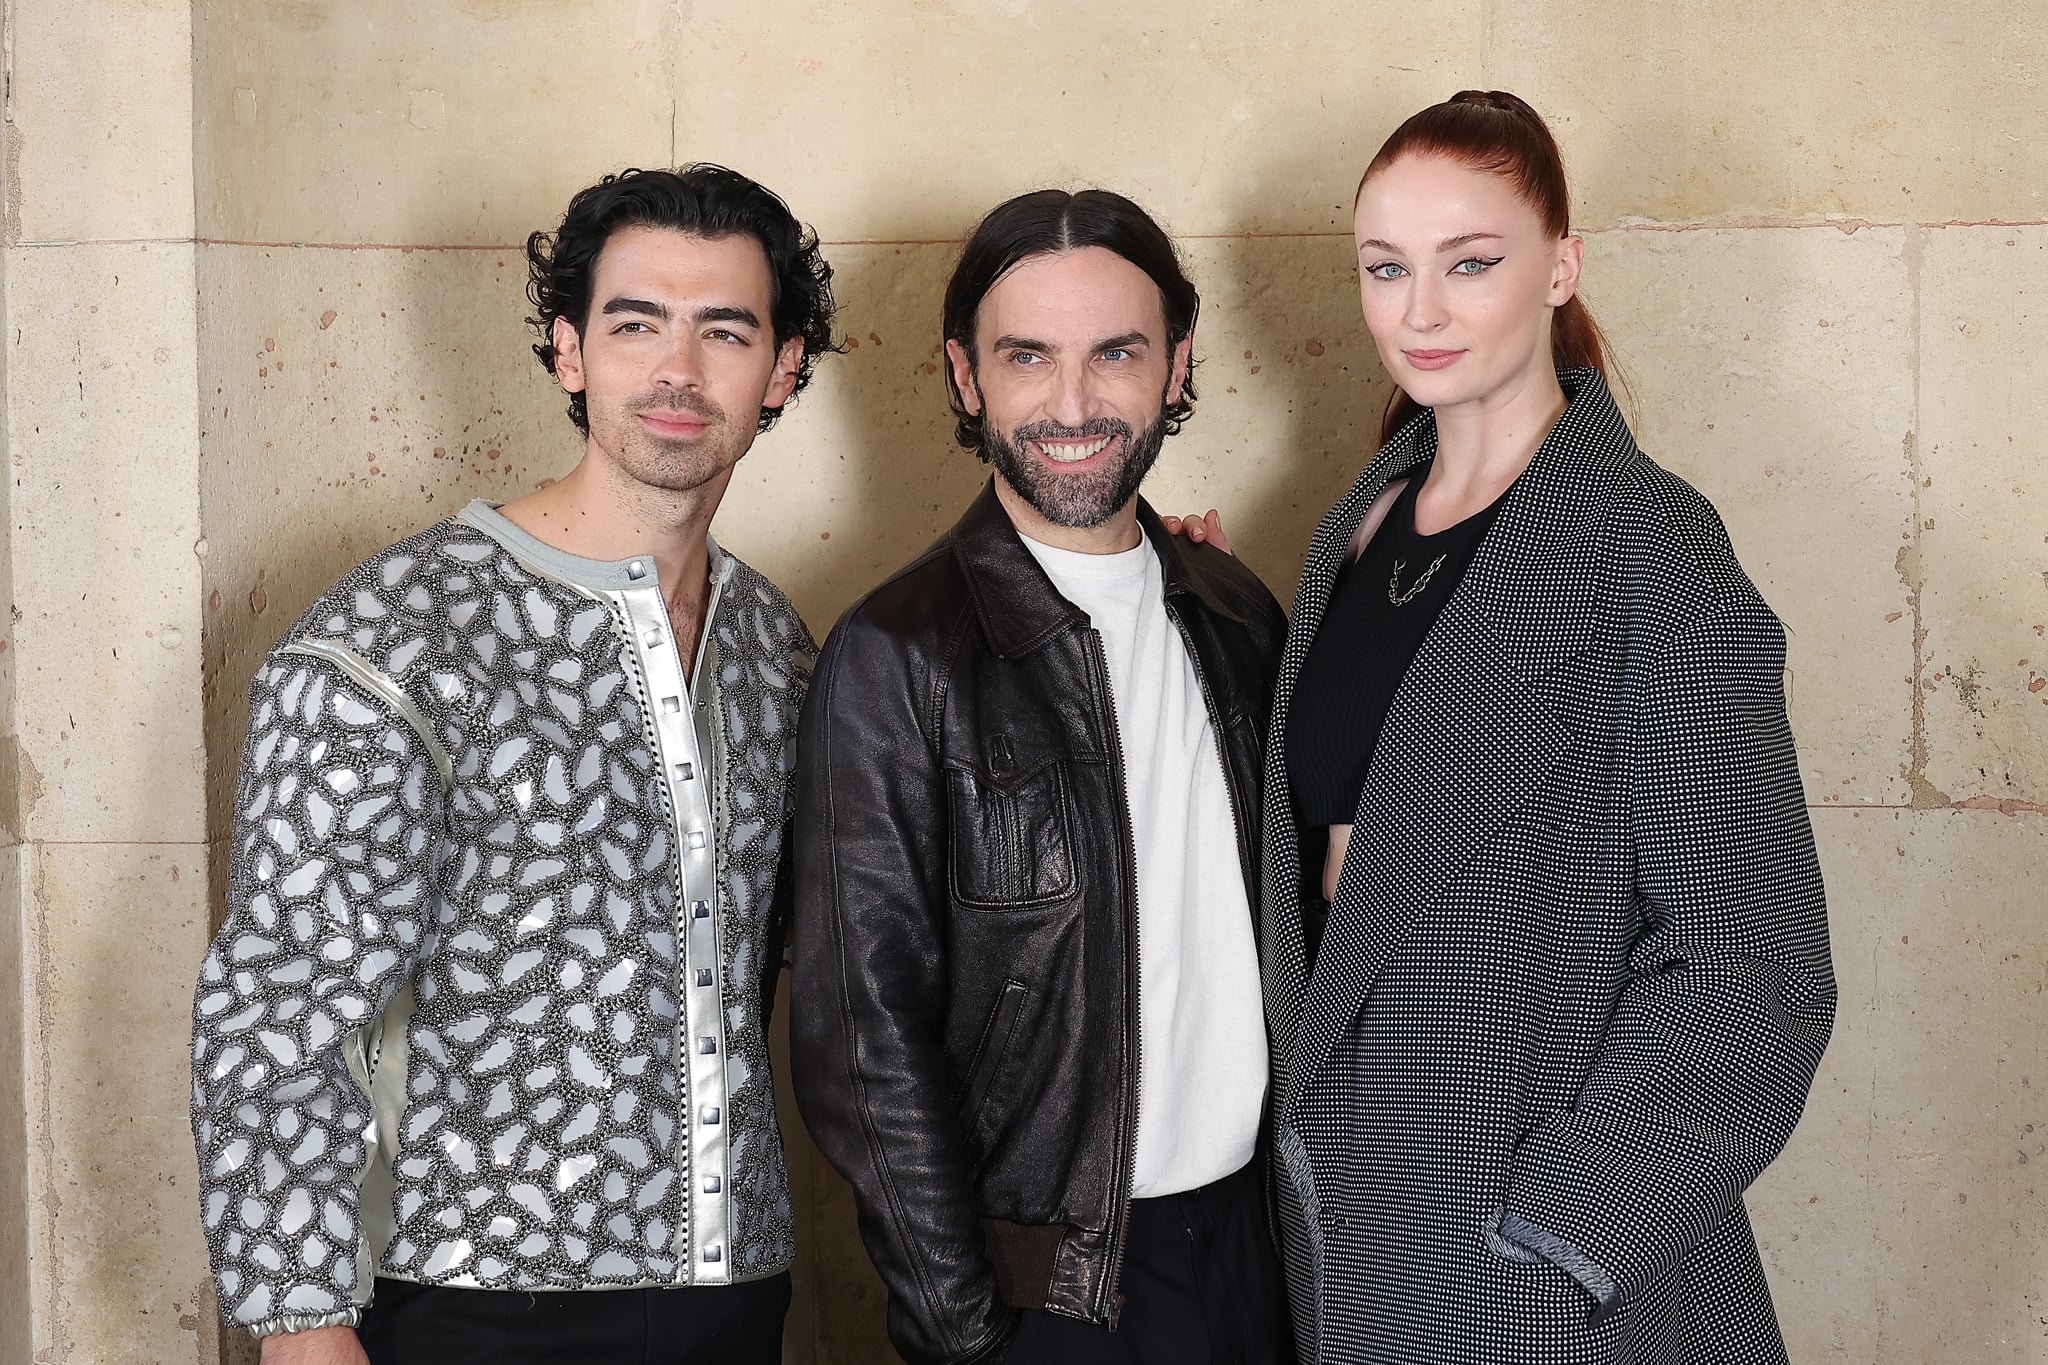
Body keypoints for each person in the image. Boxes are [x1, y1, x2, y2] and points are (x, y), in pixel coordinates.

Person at [189, 164, 839, 1364]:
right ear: (569, 352)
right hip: (464, 1304)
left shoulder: (772, 646)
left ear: (782, 369)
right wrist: (302, 1332)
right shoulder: (393, 637)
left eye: (724, 332)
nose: (676, 372)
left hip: (735, 1295)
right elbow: (277, 1018)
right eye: (634, 324)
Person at [1244, 90, 1837, 1364]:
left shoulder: (1650, 549)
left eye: (1471, 263)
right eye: (1385, 269)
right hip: (1347, 1218)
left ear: (1558, 266)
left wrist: (1563, 1230)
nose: (1421, 311)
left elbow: (1753, 965)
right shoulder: (1346, 539)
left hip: (1536, 1252)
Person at [789, 189, 1291, 1365]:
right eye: (1027, 358)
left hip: (1260, 1259)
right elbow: (862, 1046)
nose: (1072, 407)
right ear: (966, 377)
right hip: (1044, 1301)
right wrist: (966, 1333)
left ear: (1176, 366)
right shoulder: (897, 653)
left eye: (1115, 353)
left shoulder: (1235, 611)